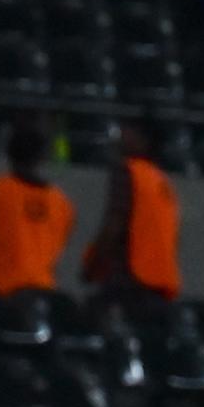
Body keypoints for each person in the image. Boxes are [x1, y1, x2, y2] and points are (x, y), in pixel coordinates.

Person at [0, 127, 76, 297]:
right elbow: (60, 244)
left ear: (9, 152)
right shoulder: (62, 203)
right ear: (43, 156)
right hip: (42, 291)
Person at [81, 119, 181, 302]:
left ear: (144, 141)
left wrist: (92, 266)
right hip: (161, 286)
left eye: (129, 130)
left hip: (131, 281)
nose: (123, 134)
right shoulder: (163, 183)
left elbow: (114, 224)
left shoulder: (128, 172)